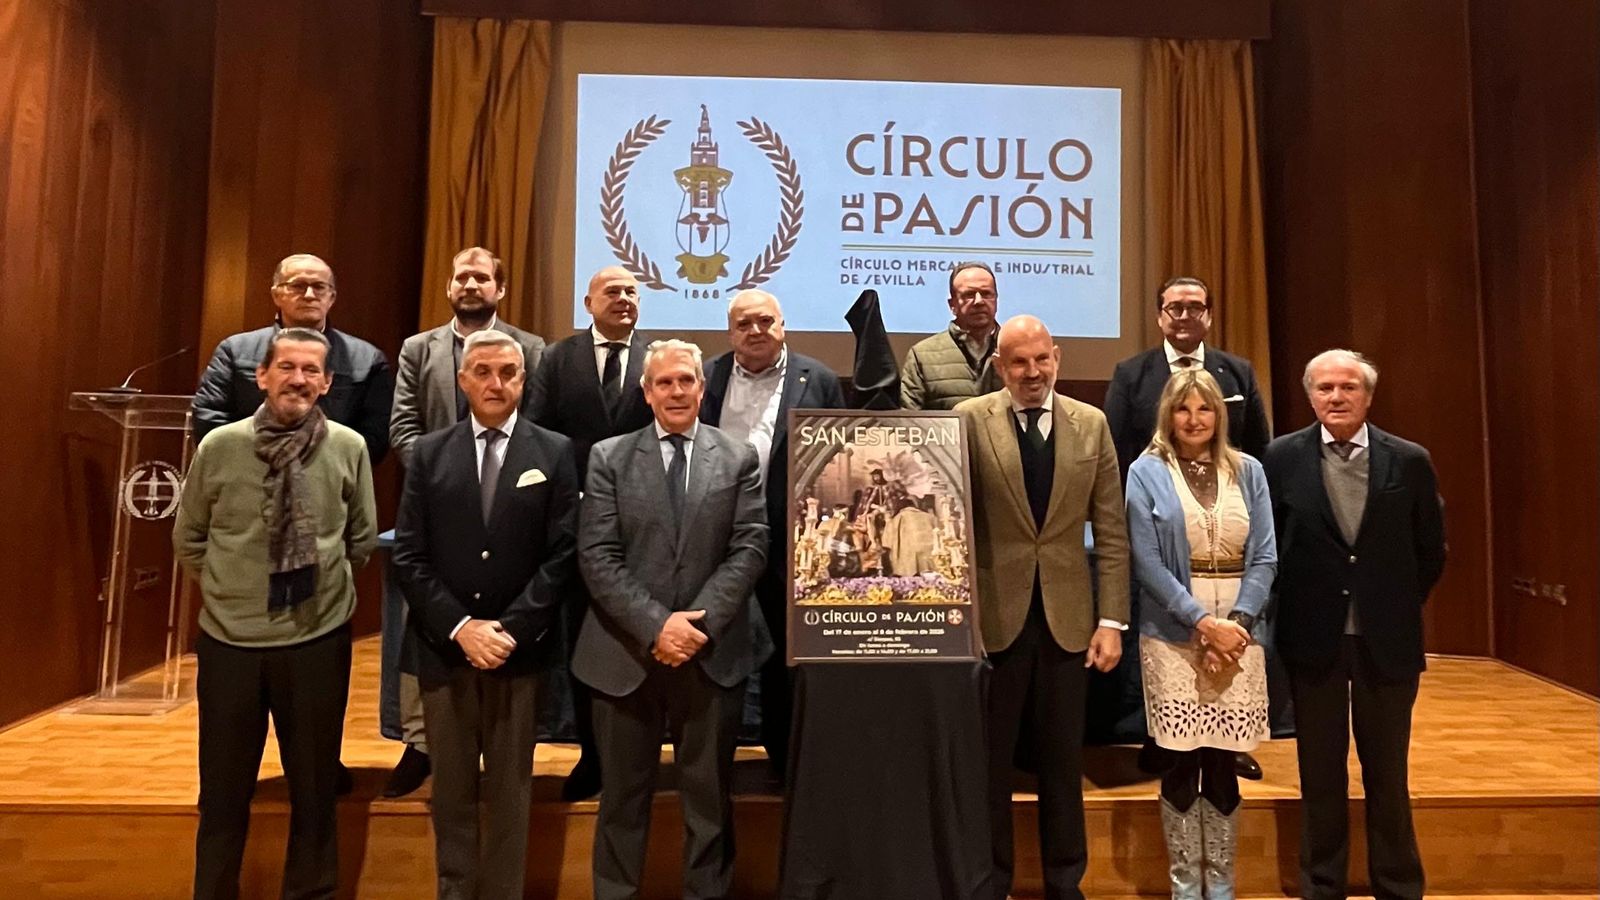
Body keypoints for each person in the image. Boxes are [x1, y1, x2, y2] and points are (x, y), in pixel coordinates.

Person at [173, 327, 377, 900]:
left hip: (316, 640)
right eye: (287, 367)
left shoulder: (348, 447)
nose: (299, 379)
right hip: (230, 644)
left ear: (328, 382)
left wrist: (318, 591)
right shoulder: (220, 447)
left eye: (312, 370)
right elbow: (189, 538)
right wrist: (232, 590)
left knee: (314, 792)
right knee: (223, 792)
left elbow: (360, 539)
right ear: (261, 376)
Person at [572, 339, 768, 900]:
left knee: (708, 802)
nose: (677, 391)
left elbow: (750, 547)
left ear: (703, 389)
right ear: (647, 392)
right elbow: (597, 554)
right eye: (665, 383)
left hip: (712, 653)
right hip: (623, 655)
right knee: (621, 802)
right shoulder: (609, 457)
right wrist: (658, 626)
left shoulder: (737, 457)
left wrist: (694, 627)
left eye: (687, 380)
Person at [392, 329, 578, 899]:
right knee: (450, 788)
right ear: (463, 379)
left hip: (520, 653)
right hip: (445, 648)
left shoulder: (554, 451)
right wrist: (461, 628)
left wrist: (512, 630)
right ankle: (455, 890)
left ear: (523, 380)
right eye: (484, 371)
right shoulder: (428, 452)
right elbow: (409, 553)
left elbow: (562, 552)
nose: (496, 383)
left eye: (508, 372)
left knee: (510, 788)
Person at [955, 315, 1129, 900]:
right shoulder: (967, 422)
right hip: (991, 622)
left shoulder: (1093, 424)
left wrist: (1111, 620)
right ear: (999, 367)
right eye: (1018, 363)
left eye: (1041, 360)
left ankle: (1065, 882)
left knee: (1061, 764)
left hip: (1069, 620)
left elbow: (1111, 531)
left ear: (1056, 357)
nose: (1032, 373)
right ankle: (990, 881)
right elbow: (953, 527)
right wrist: (959, 620)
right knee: (989, 767)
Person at [1263, 349, 1445, 900]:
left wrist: (1389, 603)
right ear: (1309, 395)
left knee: (1387, 772)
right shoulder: (1279, 457)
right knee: (1320, 773)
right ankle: (1322, 884)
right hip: (1311, 638)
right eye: (1325, 388)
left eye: (1347, 388)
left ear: (1367, 395)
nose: (1336, 398)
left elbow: (1430, 549)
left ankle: (1398, 883)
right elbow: (1269, 545)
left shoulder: (1409, 460)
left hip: (1385, 641)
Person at [379, 246, 547, 799]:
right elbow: (403, 421)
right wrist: (443, 475)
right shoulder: (417, 348)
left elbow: (537, 425)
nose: (471, 285)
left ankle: (499, 738)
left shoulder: (531, 349)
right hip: (437, 503)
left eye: (482, 277)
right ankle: (421, 740)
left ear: (499, 288)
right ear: (449, 287)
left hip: (509, 505)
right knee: (424, 618)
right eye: (461, 277)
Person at [1104, 275, 1275, 778]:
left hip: (1233, 565)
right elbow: (1114, 453)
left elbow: (1260, 446)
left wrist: (1238, 623)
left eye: (1194, 307)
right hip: (1164, 550)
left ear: (1209, 315)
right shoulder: (1132, 373)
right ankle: (1163, 738)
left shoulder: (1236, 372)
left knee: (1225, 711)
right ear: (1159, 315)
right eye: (1174, 308)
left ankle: (1227, 745)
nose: (1184, 316)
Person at [1124, 367, 1277, 899]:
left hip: (1241, 637)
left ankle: (1222, 885)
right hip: (1173, 636)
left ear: (1220, 415)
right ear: (1168, 414)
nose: (1194, 419)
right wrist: (1202, 623)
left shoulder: (1250, 470)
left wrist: (1236, 625)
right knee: (1182, 758)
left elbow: (1265, 556)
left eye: (1205, 409)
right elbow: (1145, 561)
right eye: (1184, 409)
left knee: (1223, 759)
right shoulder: (1145, 472)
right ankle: (1185, 885)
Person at [698, 288, 844, 777]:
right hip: (718, 535)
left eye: (765, 321)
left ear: (783, 325)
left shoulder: (818, 378)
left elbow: (838, 459)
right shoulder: (708, 376)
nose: (756, 331)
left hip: (794, 540)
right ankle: (713, 758)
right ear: (730, 331)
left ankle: (788, 760)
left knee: (789, 652)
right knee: (719, 645)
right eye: (744, 324)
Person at [525, 265, 656, 800]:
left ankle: (639, 754)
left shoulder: (659, 357)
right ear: (588, 301)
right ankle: (590, 755)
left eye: (631, 291)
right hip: (576, 524)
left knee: (638, 635)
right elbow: (537, 432)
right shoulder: (557, 358)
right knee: (585, 639)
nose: (623, 298)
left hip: (646, 523)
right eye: (613, 291)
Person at [192, 253, 392, 466]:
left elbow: (375, 436)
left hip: (330, 479)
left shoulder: (368, 359)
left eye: (319, 287)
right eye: (298, 286)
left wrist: (321, 467)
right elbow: (209, 418)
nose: (309, 295)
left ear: (331, 297)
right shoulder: (234, 351)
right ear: (276, 295)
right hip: (246, 475)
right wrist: (257, 465)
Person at [900, 261, 1002, 410]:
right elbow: (910, 423)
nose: (979, 301)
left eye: (986, 294)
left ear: (996, 300)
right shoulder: (922, 356)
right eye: (969, 295)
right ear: (952, 305)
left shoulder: (1017, 350)